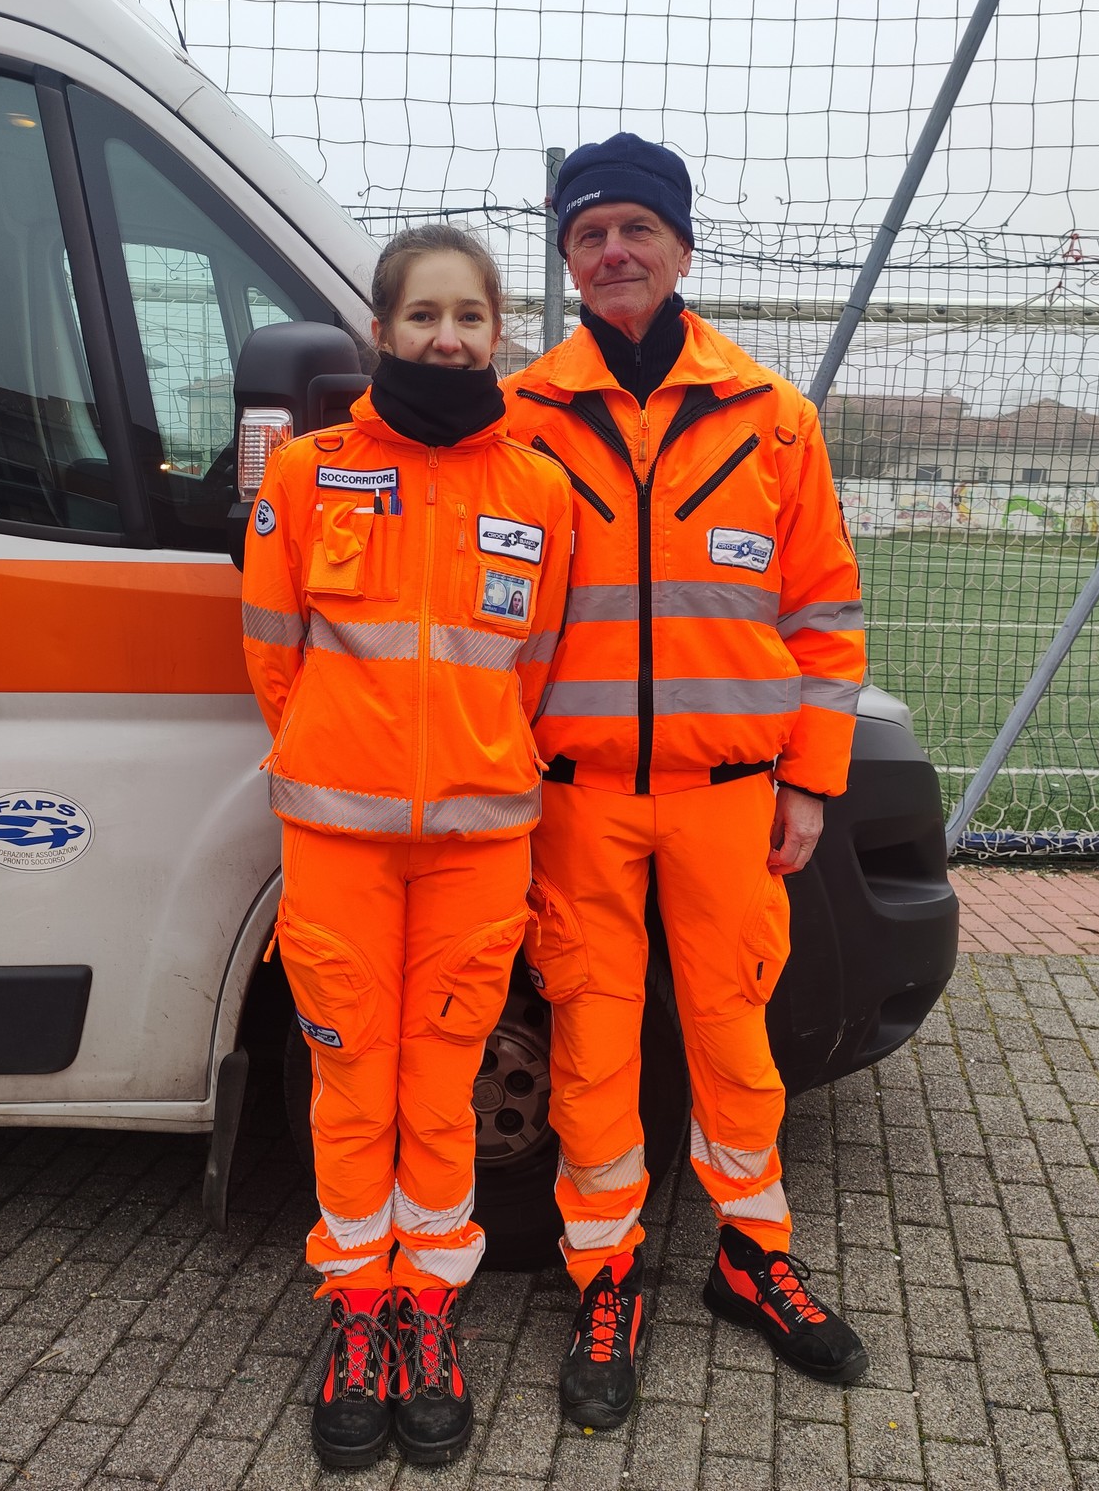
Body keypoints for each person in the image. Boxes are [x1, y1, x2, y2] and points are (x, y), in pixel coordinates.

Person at [505, 134, 870, 1427]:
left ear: (680, 247)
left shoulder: (773, 417)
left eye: (635, 230)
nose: (613, 252)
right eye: (588, 234)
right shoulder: (522, 417)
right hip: (575, 796)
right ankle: (604, 1275)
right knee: (593, 1041)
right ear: (567, 258)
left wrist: (809, 781)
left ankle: (750, 1258)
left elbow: (824, 615)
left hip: (731, 797)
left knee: (735, 1036)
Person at [241, 224, 572, 1469]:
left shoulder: (537, 491)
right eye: (421, 316)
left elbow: (533, 670)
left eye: (467, 317)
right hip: (336, 837)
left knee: (441, 1090)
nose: (445, 337)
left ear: (497, 334)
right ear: (379, 331)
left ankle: (427, 1310)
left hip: (479, 844)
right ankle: (356, 1309)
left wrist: (468, 766)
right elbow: (271, 655)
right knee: (347, 1086)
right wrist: (343, 754)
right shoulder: (307, 475)